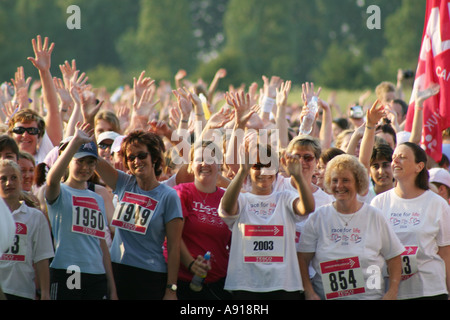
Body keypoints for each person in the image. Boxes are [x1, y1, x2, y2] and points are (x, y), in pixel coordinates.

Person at [298, 154, 404, 300]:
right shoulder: (318, 217)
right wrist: (309, 291)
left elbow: (394, 257)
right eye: (334, 180)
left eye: (345, 180)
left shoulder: (375, 216)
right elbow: (302, 259)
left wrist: (392, 292)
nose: (339, 186)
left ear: (358, 182)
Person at [218, 140, 315, 300]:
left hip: (284, 285)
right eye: (257, 166)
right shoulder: (241, 199)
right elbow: (228, 209)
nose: (264, 171)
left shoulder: (285, 198)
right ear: (249, 170)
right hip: (245, 285)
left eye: (269, 165)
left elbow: (308, 207)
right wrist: (242, 171)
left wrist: (298, 176)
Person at [95, 130, 183, 300]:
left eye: (142, 155)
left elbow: (174, 248)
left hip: (150, 276)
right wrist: (87, 117)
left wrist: (171, 290)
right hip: (117, 272)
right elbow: (95, 160)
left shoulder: (168, 196)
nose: (137, 161)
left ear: (154, 158)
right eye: (131, 157)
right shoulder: (123, 183)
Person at [45, 122, 117, 300]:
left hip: (96, 273)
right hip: (70, 271)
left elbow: (101, 244)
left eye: (91, 162)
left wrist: (112, 287)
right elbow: (51, 181)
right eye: (80, 161)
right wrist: (75, 142)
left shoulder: (98, 198)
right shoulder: (60, 192)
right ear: (68, 161)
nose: (86, 167)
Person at [371, 142, 450, 300]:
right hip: (392, 292)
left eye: (402, 157)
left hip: (430, 290)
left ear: (419, 166)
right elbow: (373, 252)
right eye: (394, 158)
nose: (395, 162)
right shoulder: (378, 203)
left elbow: (446, 254)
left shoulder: (437, 204)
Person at [174, 141, 232, 300]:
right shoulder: (180, 193)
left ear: (220, 165)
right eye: (199, 159)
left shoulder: (228, 198)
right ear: (190, 165)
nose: (205, 163)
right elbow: (172, 237)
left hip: (217, 283)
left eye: (211, 159)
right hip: (182, 281)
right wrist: (192, 264)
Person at [0, 159, 54, 300]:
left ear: (21, 181)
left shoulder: (36, 217)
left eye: (13, 178)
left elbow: (42, 259)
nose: (8, 183)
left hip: (23, 292)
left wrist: (45, 294)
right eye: (3, 178)